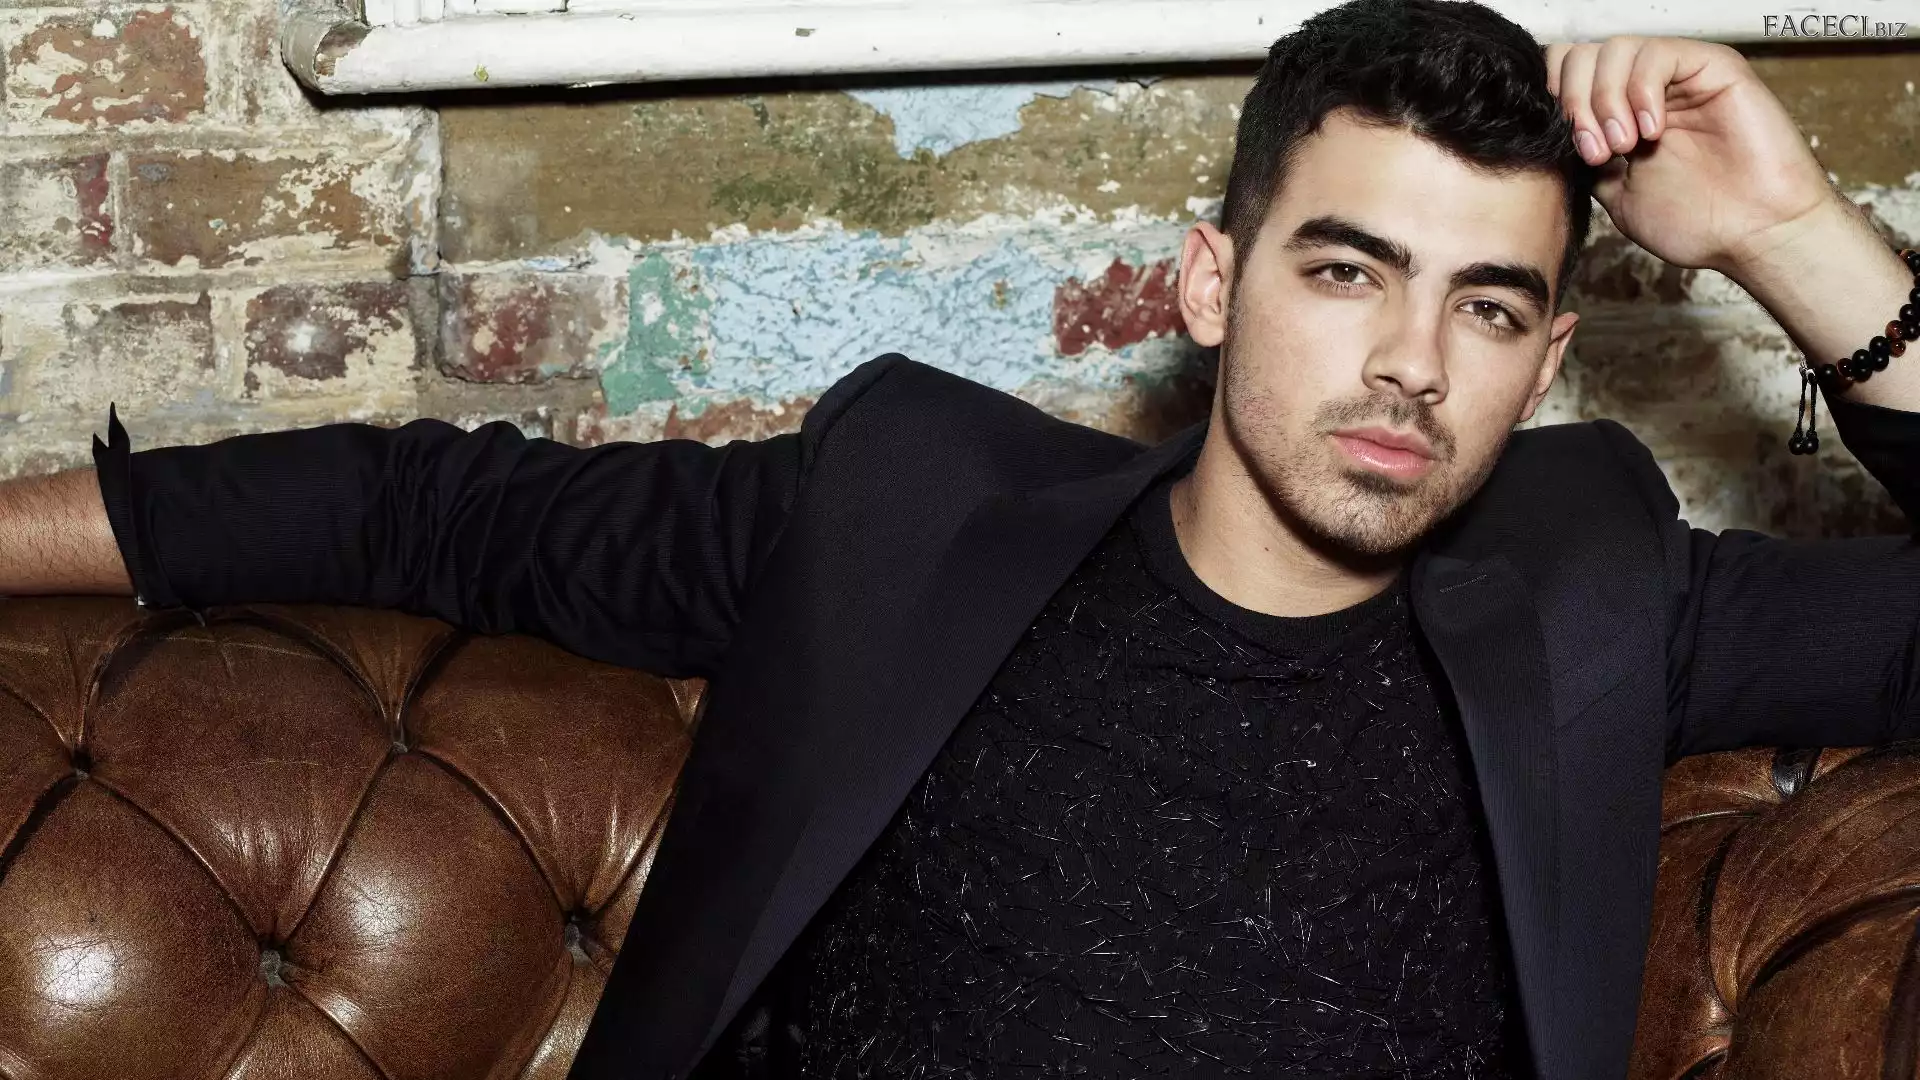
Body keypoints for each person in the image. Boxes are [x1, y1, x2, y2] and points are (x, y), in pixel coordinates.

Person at [4, 0, 1919, 1076]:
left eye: (1488, 308)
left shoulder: (1603, 598)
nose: (1412, 363)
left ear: (1547, 360)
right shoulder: (905, 512)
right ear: (1209, 283)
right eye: (1347, 272)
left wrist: (1796, 241)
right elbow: (423, 505)